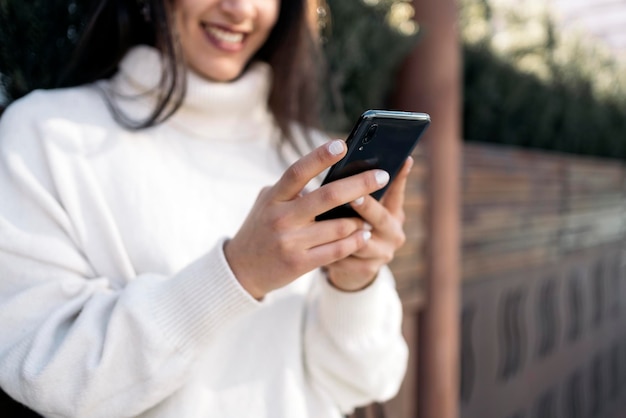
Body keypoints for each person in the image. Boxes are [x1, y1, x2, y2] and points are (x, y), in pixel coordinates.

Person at [0, 0, 410, 417]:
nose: (239, 9)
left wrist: (354, 283)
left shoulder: (308, 152)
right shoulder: (44, 134)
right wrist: (237, 273)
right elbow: (47, 375)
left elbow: (366, 381)